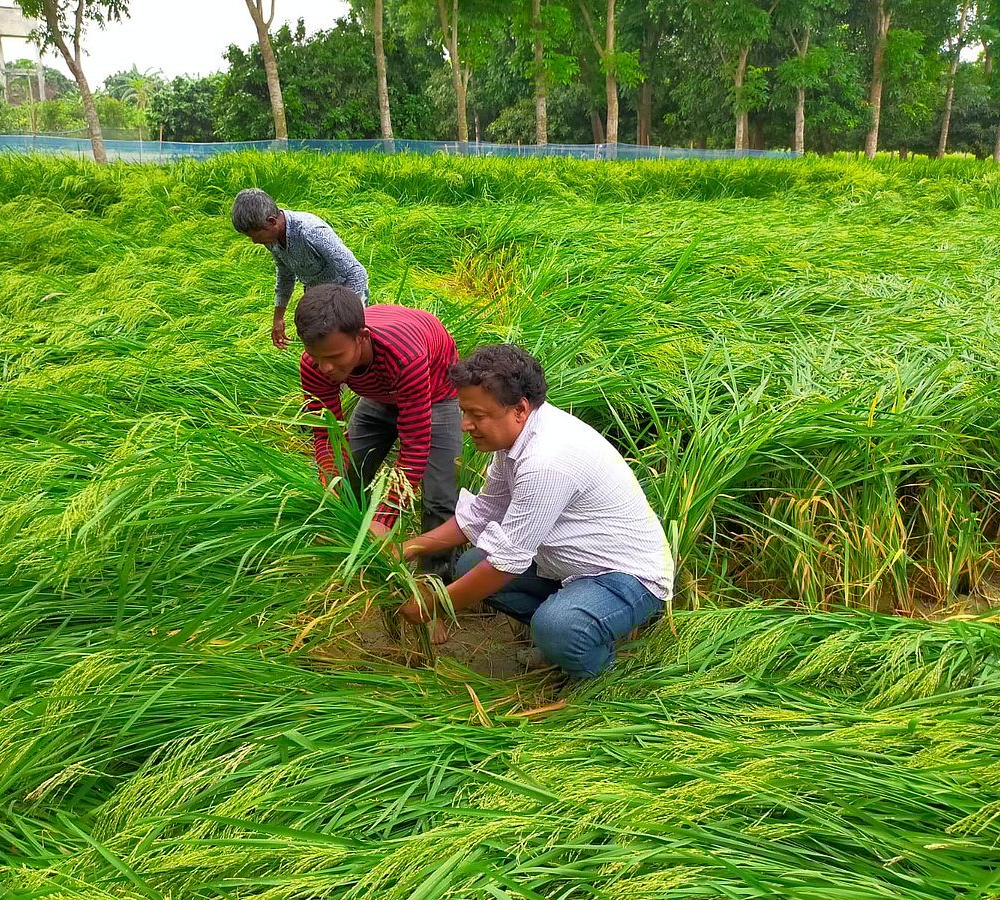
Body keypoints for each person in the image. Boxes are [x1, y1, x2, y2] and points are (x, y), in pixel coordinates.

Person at [399, 344, 673, 679]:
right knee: (471, 565)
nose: (465, 425)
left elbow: (505, 564)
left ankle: (598, 678)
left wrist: (433, 605)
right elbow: (483, 513)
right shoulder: (515, 439)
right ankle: (568, 636)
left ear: (519, 409)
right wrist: (409, 547)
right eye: (464, 412)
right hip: (572, 564)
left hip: (626, 577)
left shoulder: (547, 460)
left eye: (477, 415)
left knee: (556, 626)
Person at [295, 284, 461, 578]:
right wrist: (330, 479)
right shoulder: (315, 364)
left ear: (362, 337)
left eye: (335, 356)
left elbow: (415, 445)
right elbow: (327, 433)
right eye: (316, 356)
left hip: (435, 391)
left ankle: (434, 583)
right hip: (379, 392)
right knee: (346, 477)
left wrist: (384, 518)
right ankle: (349, 555)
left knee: (439, 498)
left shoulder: (404, 357)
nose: (326, 368)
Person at [232, 188, 369, 349]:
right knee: (317, 347)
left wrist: (342, 312)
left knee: (349, 348)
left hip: (347, 293)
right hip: (316, 295)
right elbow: (285, 275)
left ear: (271, 221)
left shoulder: (311, 232)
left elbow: (356, 273)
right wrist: (278, 318)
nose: (254, 241)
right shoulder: (272, 238)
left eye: (255, 235)